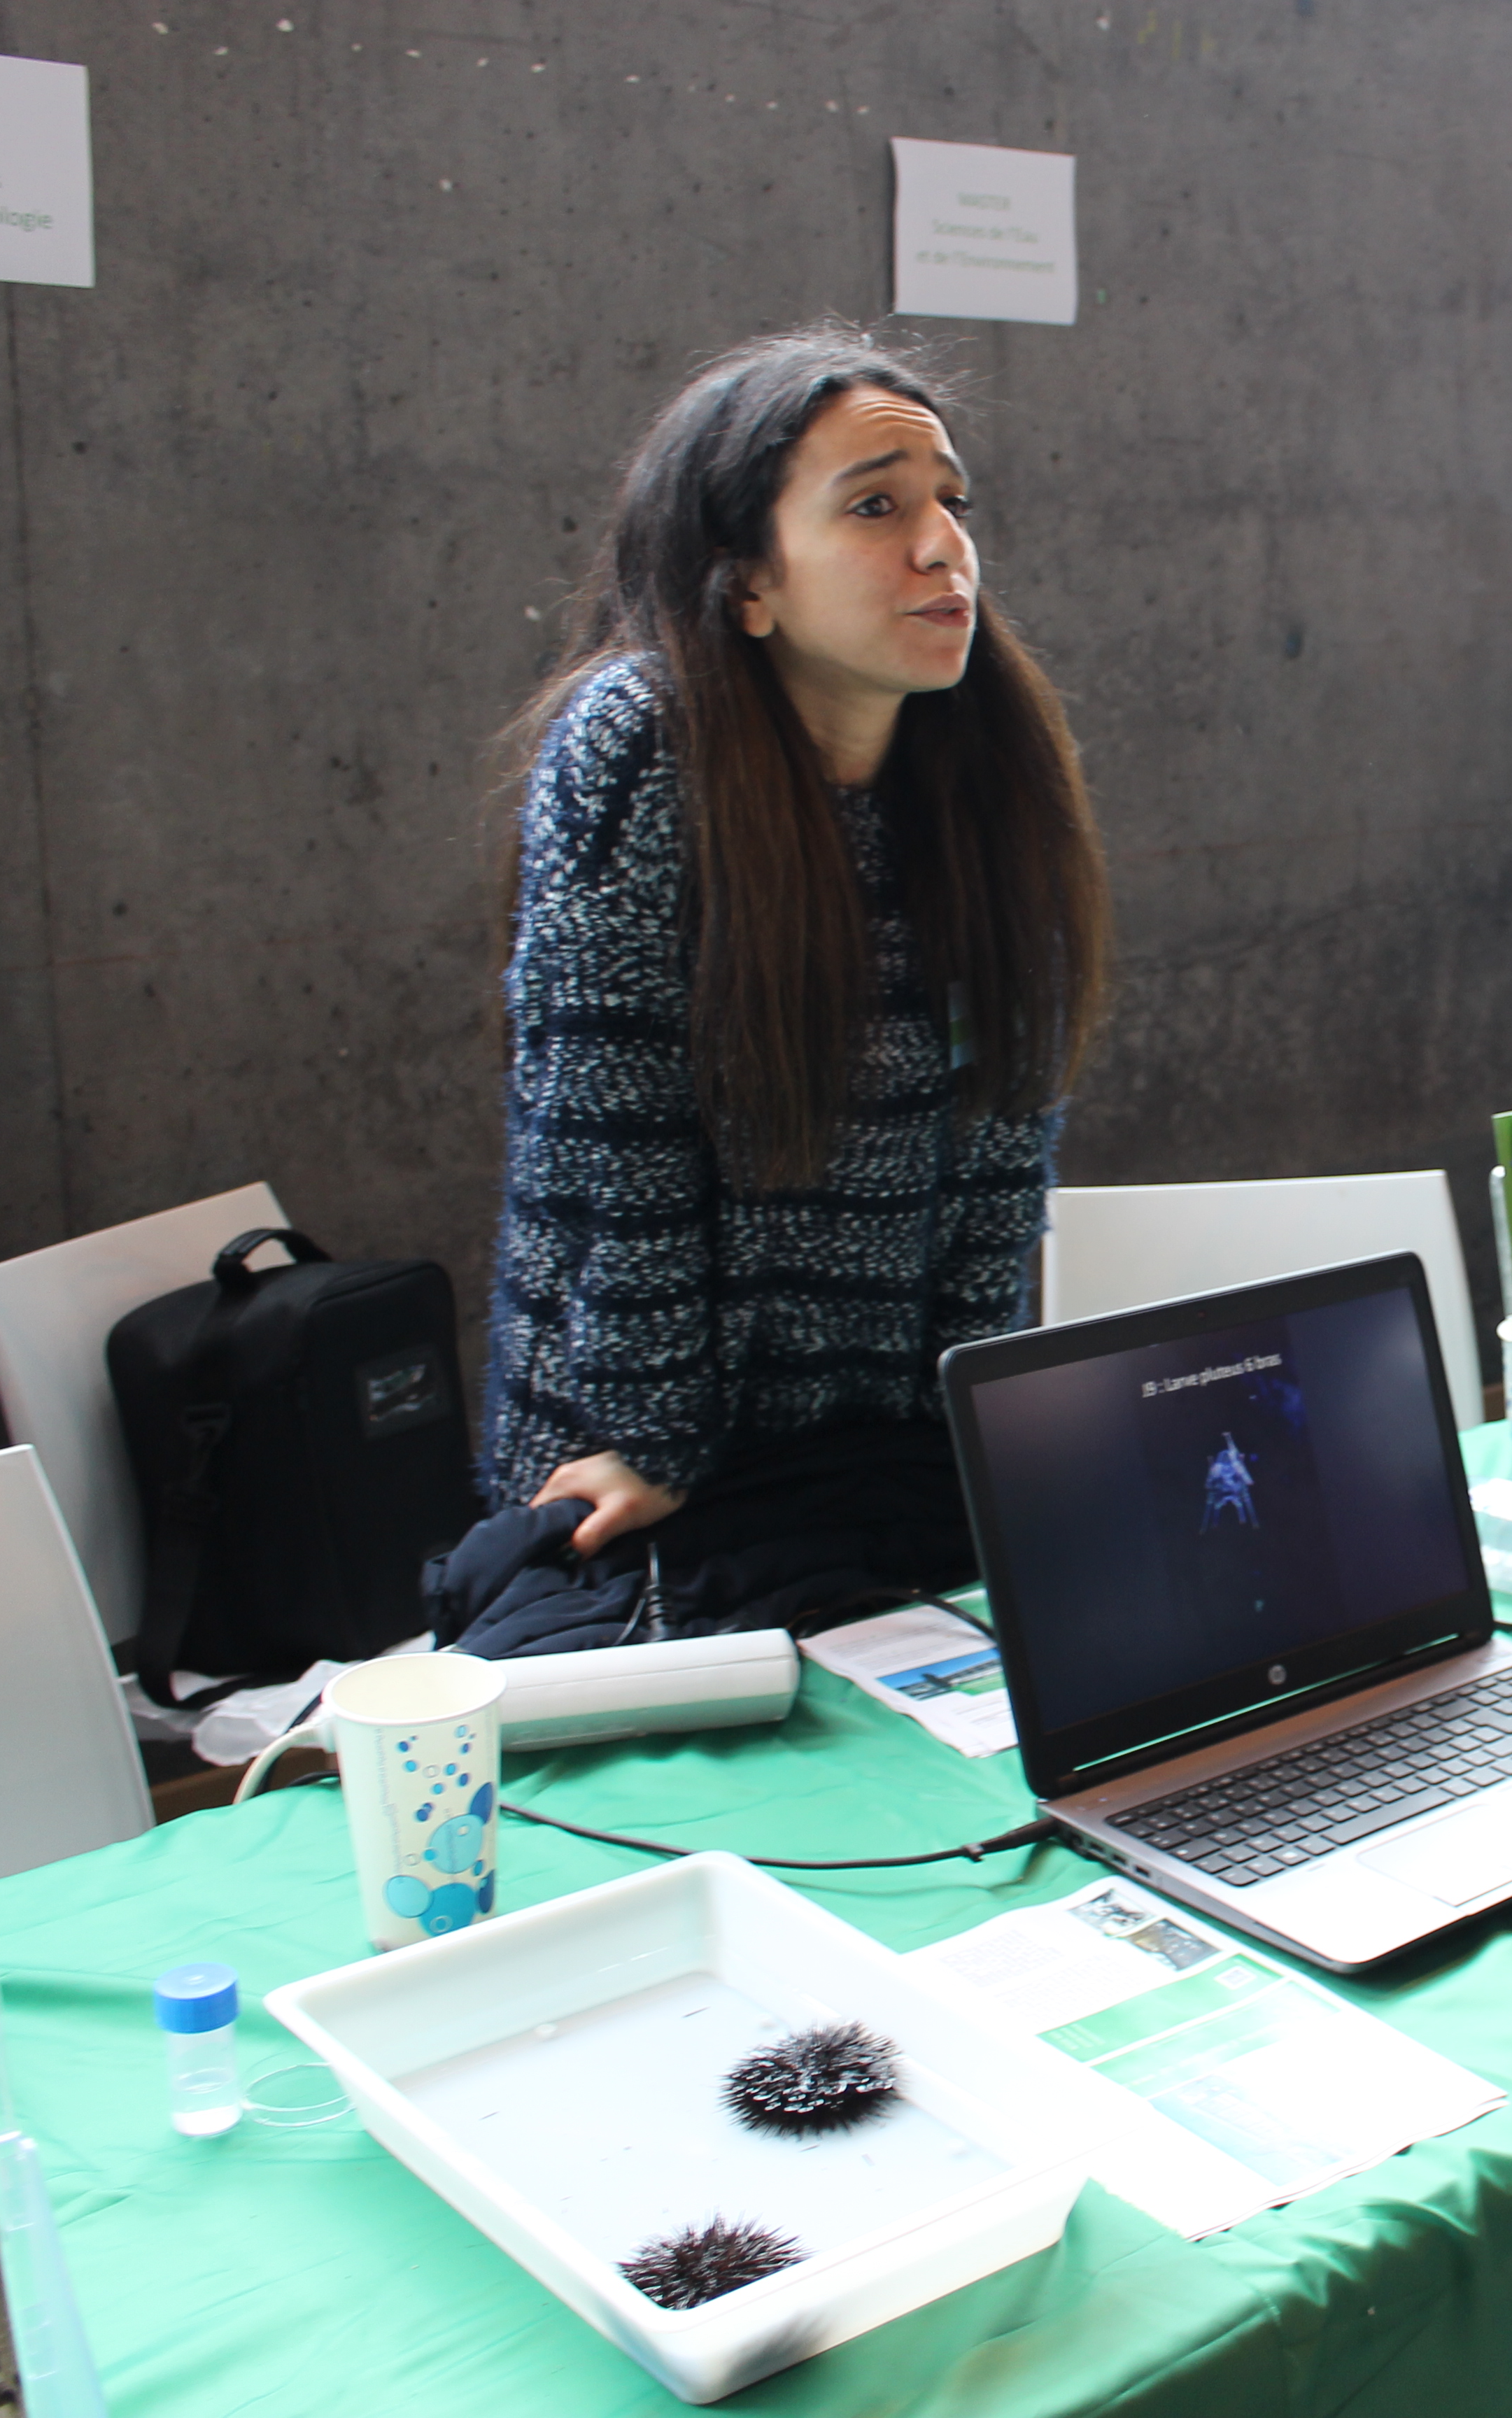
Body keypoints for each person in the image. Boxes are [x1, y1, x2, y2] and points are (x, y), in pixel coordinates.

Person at [468, 324, 1110, 1643]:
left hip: (878, 1469)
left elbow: (1002, 1153)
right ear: (748, 582)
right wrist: (659, 1438)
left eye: (951, 502)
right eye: (876, 507)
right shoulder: (641, 743)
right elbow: (614, 1134)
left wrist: (961, 1425)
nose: (944, 546)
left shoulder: (988, 767)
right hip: (642, 1462)